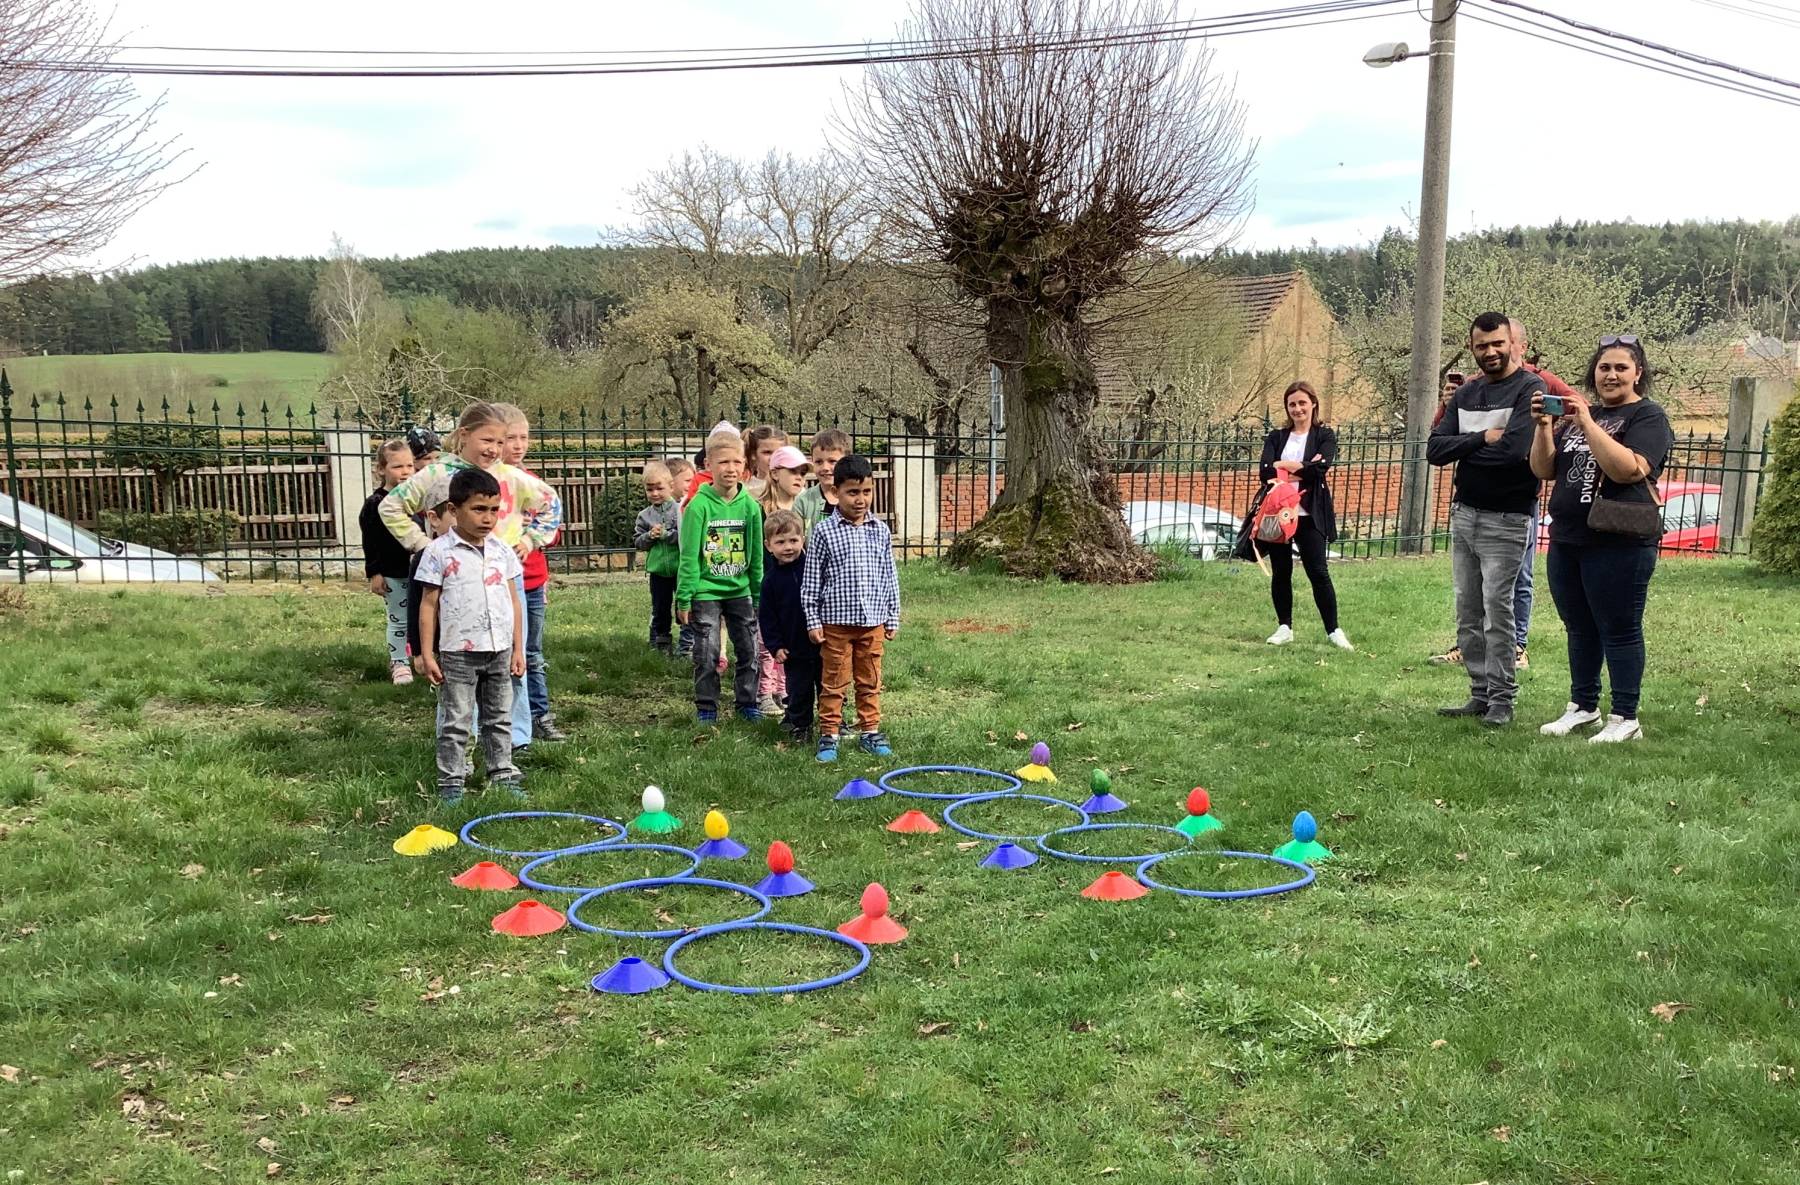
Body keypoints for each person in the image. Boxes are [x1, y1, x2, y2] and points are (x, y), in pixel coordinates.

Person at [382, 401, 561, 752]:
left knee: (511, 661)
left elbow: (551, 503)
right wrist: (422, 545)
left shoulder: (509, 476)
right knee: (458, 663)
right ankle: (461, 737)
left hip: (502, 584)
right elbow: (391, 506)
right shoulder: (437, 474)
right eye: (487, 440)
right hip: (455, 585)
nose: (494, 449)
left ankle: (515, 738)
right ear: (464, 435)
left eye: (500, 442)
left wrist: (530, 540)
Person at [1530, 335, 1674, 743]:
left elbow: (1629, 469)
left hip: (1619, 540)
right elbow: (1543, 469)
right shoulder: (1583, 414)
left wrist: (1589, 426)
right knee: (1579, 626)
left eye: (1620, 368)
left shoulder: (1648, 416)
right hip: (1568, 538)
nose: (1611, 375)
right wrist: (1544, 428)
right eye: (1604, 367)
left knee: (1619, 627)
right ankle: (1583, 706)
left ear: (1637, 373)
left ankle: (1625, 716)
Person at [1427, 311, 1545, 727]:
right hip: (1465, 514)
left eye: (1498, 343)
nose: (1491, 351)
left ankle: (1502, 698)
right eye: (1482, 345)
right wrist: (1482, 438)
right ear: (1472, 348)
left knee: (1498, 611)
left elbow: (1513, 453)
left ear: (1513, 344)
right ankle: (1479, 692)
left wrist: (1465, 447)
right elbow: (1434, 450)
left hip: (1508, 518)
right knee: (1468, 612)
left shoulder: (1530, 388)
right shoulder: (1467, 394)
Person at [414, 468, 527, 802]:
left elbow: (513, 602)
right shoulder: (438, 553)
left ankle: (501, 773)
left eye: (493, 510)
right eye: (478, 509)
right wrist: (427, 654)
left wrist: (518, 648)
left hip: (499, 650)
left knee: (499, 718)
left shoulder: (502, 551)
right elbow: (428, 605)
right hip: (458, 653)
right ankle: (451, 783)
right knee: (457, 720)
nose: (487, 518)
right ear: (454, 509)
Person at [802, 454, 900, 763]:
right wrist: (813, 619)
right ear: (836, 492)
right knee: (834, 681)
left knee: (870, 680)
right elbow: (811, 580)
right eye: (852, 492)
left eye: (866, 491)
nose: (860, 499)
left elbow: (889, 576)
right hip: (835, 624)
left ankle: (870, 731)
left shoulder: (880, 530)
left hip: (873, 622)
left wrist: (892, 615)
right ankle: (829, 734)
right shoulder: (824, 532)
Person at [676, 428, 764, 724]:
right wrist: (684, 597)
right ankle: (707, 707)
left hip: (740, 591)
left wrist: (758, 594)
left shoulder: (751, 507)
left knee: (749, 649)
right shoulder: (698, 506)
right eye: (723, 462)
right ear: (708, 465)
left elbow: (756, 556)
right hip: (706, 592)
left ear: (745, 465)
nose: (731, 468)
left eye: (737, 462)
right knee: (708, 652)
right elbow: (689, 556)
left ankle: (747, 702)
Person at [1259, 381, 1352, 651]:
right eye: (1292, 404)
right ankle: (1284, 627)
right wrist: (1302, 468)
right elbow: (1265, 471)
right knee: (1281, 572)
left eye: (1302, 403)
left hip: (1309, 514)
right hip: (1279, 514)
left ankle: (1333, 630)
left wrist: (1284, 466)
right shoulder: (1276, 437)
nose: (1297, 408)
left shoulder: (1324, 435)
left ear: (1313, 404)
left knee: (1318, 572)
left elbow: (1320, 468)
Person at [495, 404, 567, 743]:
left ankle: (539, 716)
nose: (518, 445)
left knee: (531, 653)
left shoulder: (532, 484)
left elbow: (555, 531)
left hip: (531, 581)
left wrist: (532, 532)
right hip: (495, 584)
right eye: (511, 438)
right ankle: (499, 722)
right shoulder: (488, 483)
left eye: (524, 438)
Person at [758, 509, 821, 743]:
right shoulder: (770, 581)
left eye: (793, 540)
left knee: (829, 686)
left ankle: (833, 723)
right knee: (798, 690)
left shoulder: (814, 569)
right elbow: (767, 618)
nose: (788, 547)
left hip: (822, 642)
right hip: (793, 648)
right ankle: (800, 725)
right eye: (780, 542)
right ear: (768, 545)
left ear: (803, 539)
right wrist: (775, 646)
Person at [360, 438, 417, 685]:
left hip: (421, 570)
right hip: (393, 572)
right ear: (381, 469)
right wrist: (375, 572)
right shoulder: (375, 504)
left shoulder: (418, 498)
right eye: (397, 466)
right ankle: (399, 662)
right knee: (399, 619)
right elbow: (370, 541)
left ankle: (423, 656)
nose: (405, 472)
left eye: (409, 465)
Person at [635, 460, 682, 653]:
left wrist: (666, 535)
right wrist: (649, 536)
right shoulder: (644, 516)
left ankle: (688, 640)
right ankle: (661, 642)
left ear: (671, 486)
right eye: (649, 489)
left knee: (683, 605)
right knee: (660, 608)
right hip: (658, 571)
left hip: (680, 568)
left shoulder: (680, 510)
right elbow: (638, 542)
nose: (655, 493)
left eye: (659, 488)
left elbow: (685, 537)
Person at [665, 456, 700, 656]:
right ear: (671, 483)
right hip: (681, 566)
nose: (692, 484)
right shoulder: (680, 506)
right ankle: (685, 646)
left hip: (688, 564)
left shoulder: (689, 503)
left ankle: (688, 644)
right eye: (687, 480)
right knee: (684, 607)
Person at [794, 428, 852, 531]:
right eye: (819, 462)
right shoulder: (803, 501)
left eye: (832, 461)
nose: (825, 467)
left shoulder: (854, 498)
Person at [744, 425, 789, 498]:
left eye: (778, 453)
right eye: (767, 452)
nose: (773, 458)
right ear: (753, 454)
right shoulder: (745, 490)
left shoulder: (792, 487)